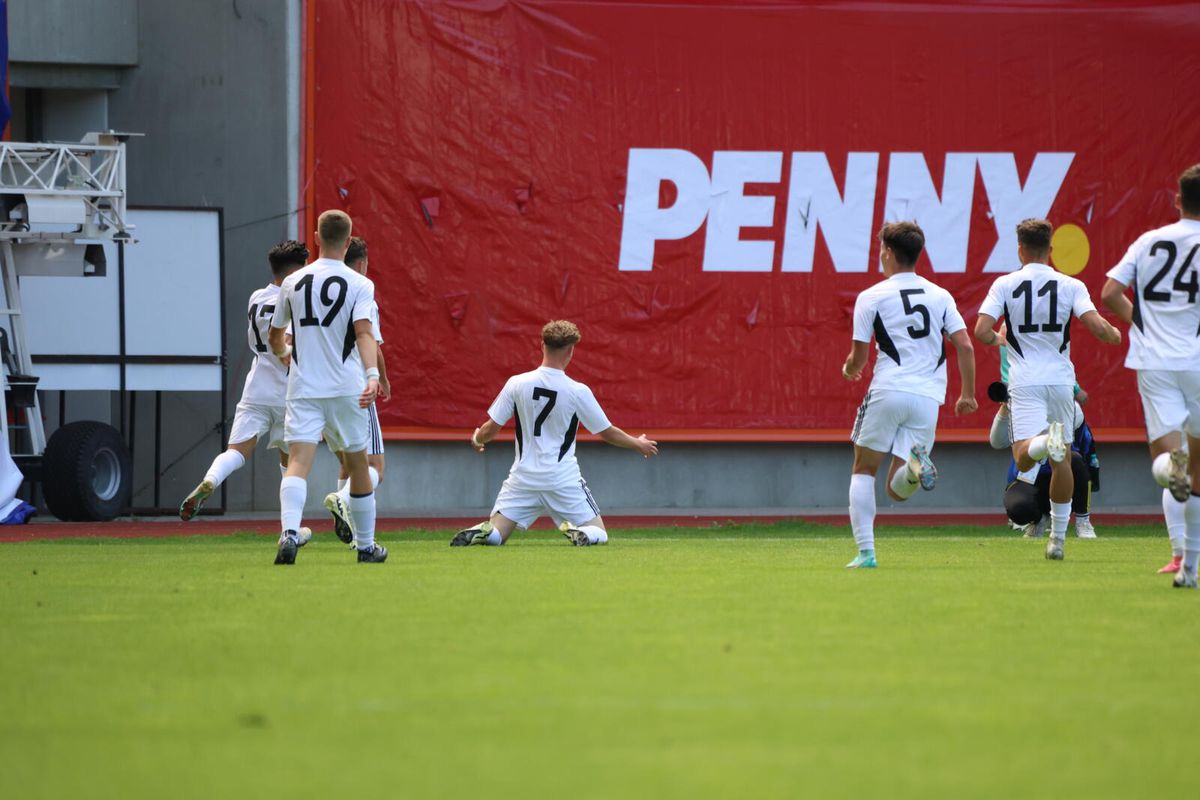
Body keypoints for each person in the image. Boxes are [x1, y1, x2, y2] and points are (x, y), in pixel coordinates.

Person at [975, 218, 1121, 561]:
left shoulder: (1005, 284)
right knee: (1063, 461)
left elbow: (981, 330)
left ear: (1020, 249)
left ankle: (1044, 441)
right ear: (1051, 250)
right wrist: (1114, 334)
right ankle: (1057, 540)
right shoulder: (1071, 284)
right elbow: (1096, 325)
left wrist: (1000, 339)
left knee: (1023, 455)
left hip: (1025, 380)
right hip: (1060, 381)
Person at [842, 221, 977, 569]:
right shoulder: (940, 295)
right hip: (928, 398)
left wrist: (849, 368)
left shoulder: (871, 296)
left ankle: (866, 553)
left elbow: (858, 357)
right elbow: (964, 344)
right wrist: (968, 394)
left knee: (864, 470)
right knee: (897, 490)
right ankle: (916, 467)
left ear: (888, 252)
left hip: (888, 389)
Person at [451, 320, 658, 547]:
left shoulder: (517, 383)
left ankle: (482, 532)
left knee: (498, 532)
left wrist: (476, 439)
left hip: (523, 478)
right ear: (570, 350)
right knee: (600, 532)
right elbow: (607, 433)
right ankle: (584, 534)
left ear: (542, 346)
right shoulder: (577, 391)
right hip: (562, 479)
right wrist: (638, 444)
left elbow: (491, 428)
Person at [267, 210, 386, 564]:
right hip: (348, 388)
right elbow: (365, 333)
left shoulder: (293, 282)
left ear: (316, 238)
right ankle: (366, 547)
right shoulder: (361, 284)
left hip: (304, 387)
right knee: (358, 464)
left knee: (298, 463)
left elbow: (275, 335)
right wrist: (373, 376)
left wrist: (284, 352)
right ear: (348, 242)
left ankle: (290, 532)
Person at [1101, 163, 1200, 586]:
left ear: (1177, 199)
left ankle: (1179, 557)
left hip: (1155, 362)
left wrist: (1140, 325)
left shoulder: (1148, 241)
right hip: (1197, 360)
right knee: (1196, 467)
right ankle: (1190, 567)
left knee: (1168, 459)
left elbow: (1109, 293)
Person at [179, 240, 312, 546]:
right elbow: (285, 346)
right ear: (296, 270)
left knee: (236, 451)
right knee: (291, 462)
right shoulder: (294, 299)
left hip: (256, 388)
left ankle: (211, 479)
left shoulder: (256, 297)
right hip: (288, 392)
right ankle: (289, 530)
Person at [325, 236, 390, 540]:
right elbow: (371, 343)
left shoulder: (315, 290)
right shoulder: (363, 291)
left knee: (349, 461)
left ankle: (345, 513)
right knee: (374, 465)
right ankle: (345, 500)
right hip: (355, 386)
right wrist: (382, 379)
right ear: (362, 263)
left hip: (318, 386)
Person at [999, 395, 1098, 539]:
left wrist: (1089, 476)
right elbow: (996, 441)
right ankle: (1039, 519)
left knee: (1075, 459)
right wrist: (1003, 410)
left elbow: (1087, 449)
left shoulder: (1072, 409)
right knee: (1018, 508)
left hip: (1063, 472)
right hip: (1029, 477)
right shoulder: (1021, 408)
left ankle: (1083, 521)